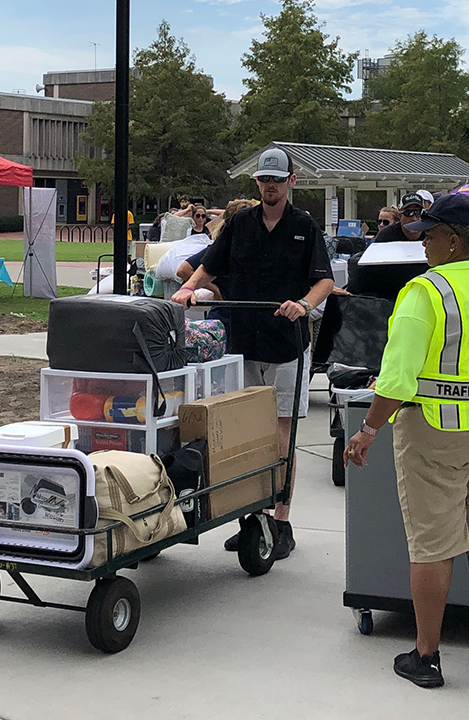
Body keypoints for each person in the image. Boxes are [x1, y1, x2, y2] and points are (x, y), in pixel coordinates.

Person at [343, 194, 469, 689]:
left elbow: (396, 376)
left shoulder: (425, 293)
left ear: (454, 240)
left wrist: (368, 430)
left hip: (436, 430)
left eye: (429, 234)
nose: (422, 241)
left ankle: (427, 657)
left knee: (432, 543)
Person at [171, 148, 334, 560]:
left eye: (277, 180)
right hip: (243, 342)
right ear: (257, 183)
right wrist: (191, 288)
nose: (270, 186)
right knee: (246, 433)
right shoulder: (240, 223)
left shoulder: (304, 227)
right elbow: (210, 264)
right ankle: (253, 516)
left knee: (281, 435)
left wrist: (304, 304)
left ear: (291, 181)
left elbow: (325, 281)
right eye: (264, 180)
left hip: (286, 345)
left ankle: (280, 518)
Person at [347, 193, 429, 299]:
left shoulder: (431, 233)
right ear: (400, 216)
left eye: (418, 213)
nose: (414, 218)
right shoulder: (386, 235)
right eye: (409, 213)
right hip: (391, 291)